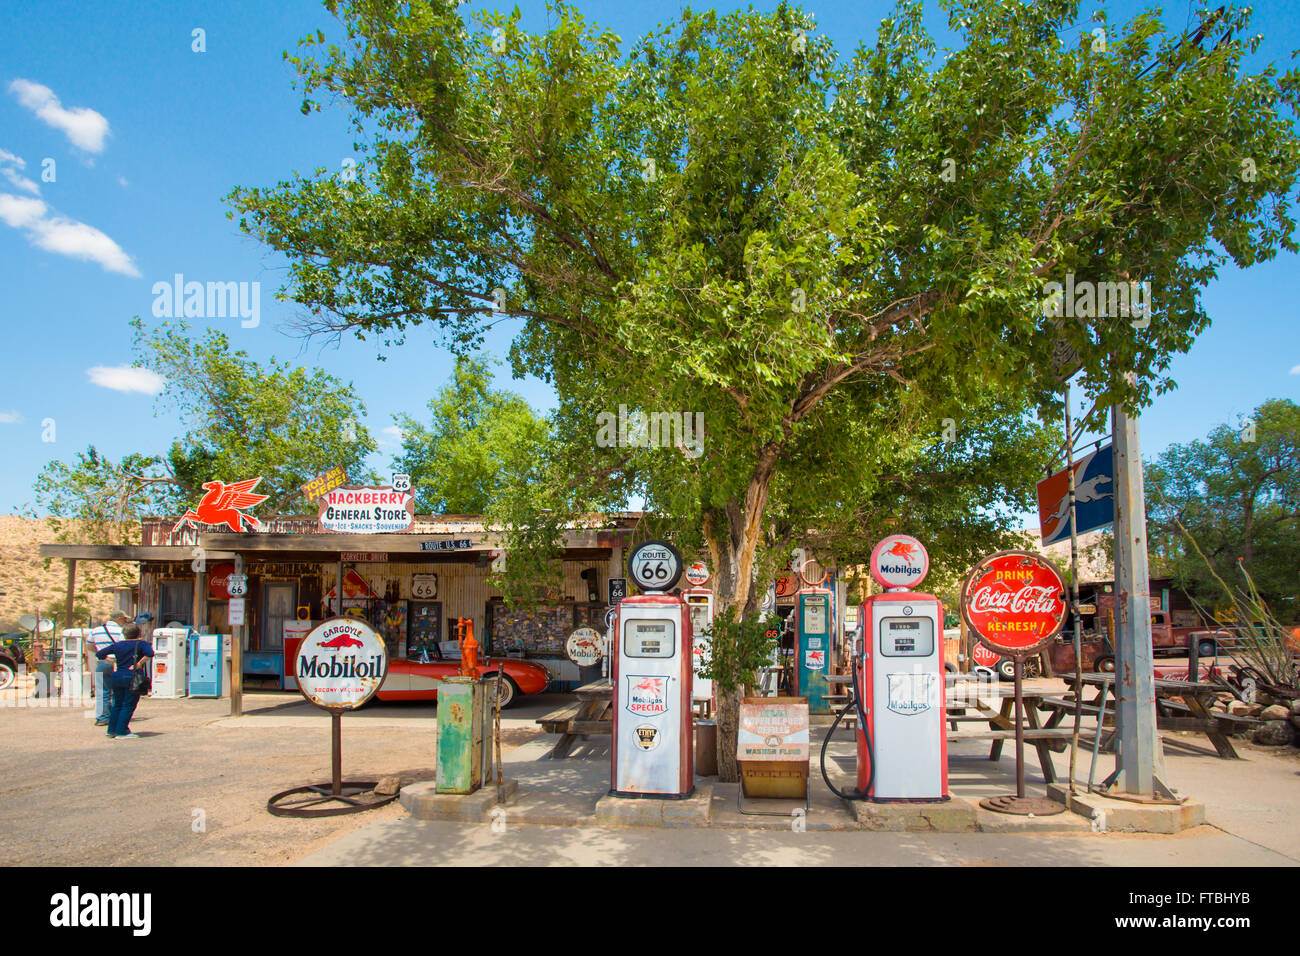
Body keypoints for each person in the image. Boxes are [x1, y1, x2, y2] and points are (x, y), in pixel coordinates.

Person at [96, 624, 154, 740]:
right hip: (131, 676)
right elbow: (150, 654)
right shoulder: (141, 644)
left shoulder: (118, 645)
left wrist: (112, 661)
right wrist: (139, 663)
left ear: (124, 634)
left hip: (117, 676)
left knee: (117, 704)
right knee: (128, 704)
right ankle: (122, 731)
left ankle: (111, 730)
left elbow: (99, 654)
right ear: (139, 633)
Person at [85, 611, 129, 727]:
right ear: (118, 619)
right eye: (124, 619)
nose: (125, 622)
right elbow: (124, 647)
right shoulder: (121, 631)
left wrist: (102, 654)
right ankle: (116, 716)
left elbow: (89, 645)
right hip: (117, 663)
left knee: (102, 691)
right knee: (117, 691)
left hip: (102, 663)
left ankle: (103, 717)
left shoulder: (96, 630)